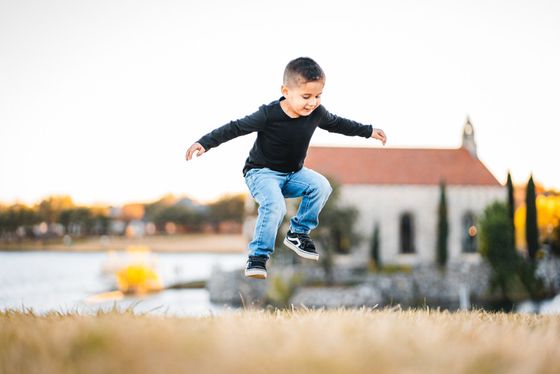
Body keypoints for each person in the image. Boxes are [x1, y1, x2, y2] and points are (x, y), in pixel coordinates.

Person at [185, 57, 386, 279]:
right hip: (261, 174)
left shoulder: (317, 113)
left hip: (293, 174)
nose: (312, 103)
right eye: (306, 96)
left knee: (321, 186)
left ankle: (298, 233)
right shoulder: (268, 114)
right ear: (286, 91)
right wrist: (204, 142)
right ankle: (258, 257)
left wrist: (368, 131)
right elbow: (235, 127)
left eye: (318, 96)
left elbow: (339, 124)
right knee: (275, 206)